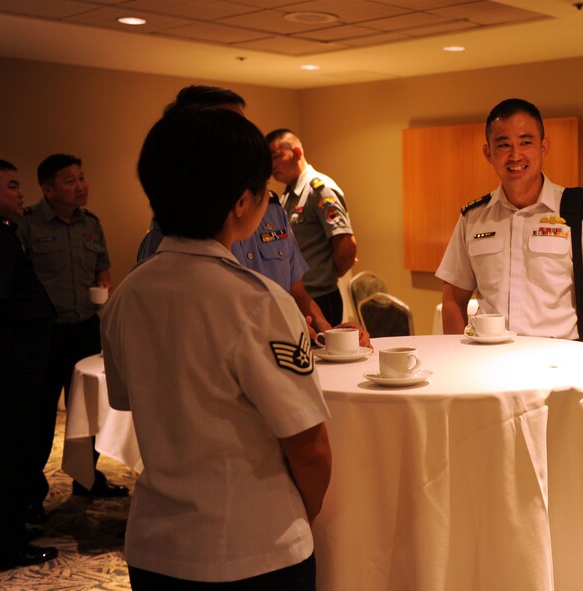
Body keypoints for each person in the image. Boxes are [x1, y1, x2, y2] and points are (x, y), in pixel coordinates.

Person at [103, 105, 331, 589]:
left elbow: (127, 402)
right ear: (242, 202)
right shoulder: (256, 299)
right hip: (254, 548)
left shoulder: (127, 293)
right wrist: (301, 519)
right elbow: (309, 447)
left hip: (156, 545)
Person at [137, 86, 368, 347]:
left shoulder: (269, 208)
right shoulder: (173, 233)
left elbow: (298, 292)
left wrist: (332, 336)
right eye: (229, 131)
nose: (244, 141)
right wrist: (276, 335)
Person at [436, 98, 583, 344]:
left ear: (544, 147)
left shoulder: (578, 211)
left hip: (557, 361)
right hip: (487, 363)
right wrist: (458, 357)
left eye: (525, 142)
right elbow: (453, 296)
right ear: (488, 153)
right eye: (503, 145)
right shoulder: (474, 217)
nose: (515, 155)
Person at [17, 154, 127, 521]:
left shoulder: (90, 224)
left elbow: (103, 266)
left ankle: (87, 477)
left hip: (85, 329)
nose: (81, 186)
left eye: (82, 178)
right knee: (40, 417)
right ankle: (31, 495)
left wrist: (104, 286)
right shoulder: (27, 225)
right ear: (48, 189)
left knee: (88, 410)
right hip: (45, 333)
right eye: (70, 181)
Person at [0, 158, 58, 569]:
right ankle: (4, 546)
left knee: (9, 451)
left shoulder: (0, 232)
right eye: (11, 185)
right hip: (10, 366)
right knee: (7, 454)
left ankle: (5, 530)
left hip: (13, 363)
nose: (20, 192)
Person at [267, 129, 357, 326]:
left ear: (297, 152)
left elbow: (346, 246)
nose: (272, 165)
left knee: (327, 354)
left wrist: (328, 274)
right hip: (298, 296)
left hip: (320, 296)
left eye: (276, 156)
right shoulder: (287, 195)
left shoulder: (319, 188)